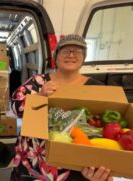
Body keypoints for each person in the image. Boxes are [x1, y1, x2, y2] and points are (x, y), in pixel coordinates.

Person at [10, 34, 113, 181]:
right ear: (55, 57)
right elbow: (15, 108)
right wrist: (39, 96)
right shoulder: (38, 82)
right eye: (65, 51)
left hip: (75, 163)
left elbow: (104, 130)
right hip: (35, 158)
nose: (71, 55)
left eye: (77, 51)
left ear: (83, 58)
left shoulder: (96, 88)